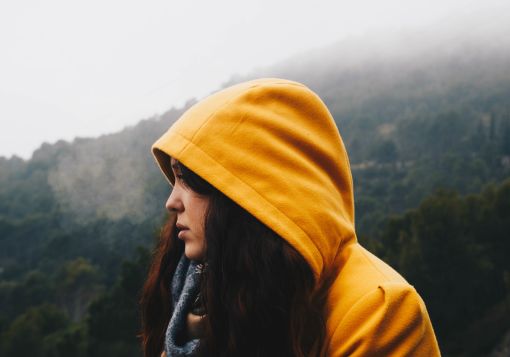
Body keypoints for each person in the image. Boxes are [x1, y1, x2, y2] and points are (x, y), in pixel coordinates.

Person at [140, 78, 441, 356]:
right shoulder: (198, 297)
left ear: (253, 193)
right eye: (174, 179)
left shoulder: (378, 309)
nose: (172, 202)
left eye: (190, 180)